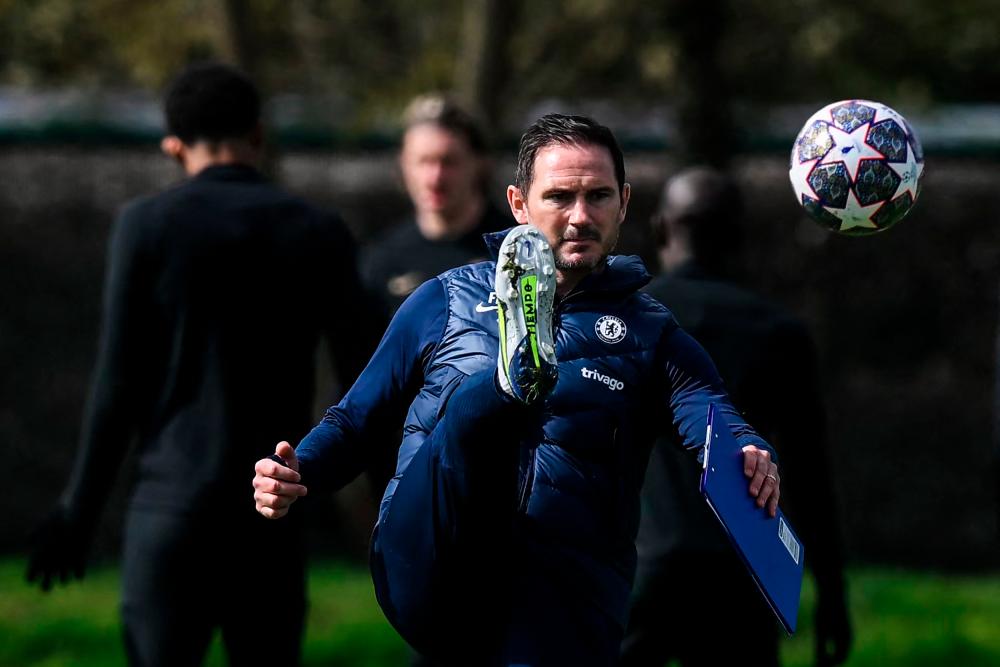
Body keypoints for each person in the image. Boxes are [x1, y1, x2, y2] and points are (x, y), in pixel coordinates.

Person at [253, 115, 784, 666]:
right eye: (560, 197)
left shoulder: (654, 336)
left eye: (598, 196)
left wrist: (745, 449)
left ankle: (510, 378)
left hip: (564, 599)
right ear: (518, 204)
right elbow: (357, 418)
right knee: (463, 417)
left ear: (624, 203)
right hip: (437, 560)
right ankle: (509, 381)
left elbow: (710, 410)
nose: (580, 216)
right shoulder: (445, 300)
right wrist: (300, 471)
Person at [26, 63, 377, 667]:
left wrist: (77, 510)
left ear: (172, 146)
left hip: (171, 506)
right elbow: (363, 387)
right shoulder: (318, 231)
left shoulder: (146, 227)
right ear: (259, 135)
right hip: (271, 511)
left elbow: (118, 383)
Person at [621, 167, 852, 667]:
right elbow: (809, 471)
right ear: (740, 237)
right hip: (741, 570)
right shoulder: (778, 332)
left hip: (640, 563)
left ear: (661, 228)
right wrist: (832, 593)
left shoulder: (625, 321)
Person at [362, 93, 511, 314]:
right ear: (403, 165)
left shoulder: (514, 250)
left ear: (479, 164)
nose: (435, 178)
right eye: (423, 162)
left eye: (448, 162)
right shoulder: (382, 262)